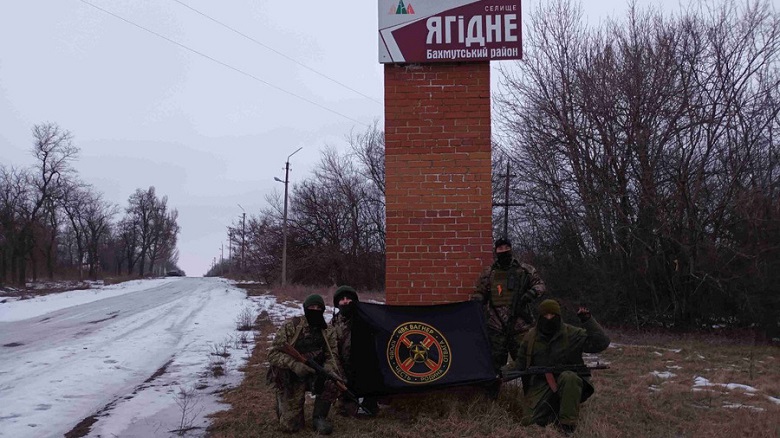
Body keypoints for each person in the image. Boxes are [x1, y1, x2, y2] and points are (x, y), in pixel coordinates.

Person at [516, 299, 610, 435]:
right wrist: (499, 374)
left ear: (559, 316)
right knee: (528, 421)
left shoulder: (571, 333)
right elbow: (519, 363)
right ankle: (555, 411)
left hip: (567, 383)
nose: (549, 318)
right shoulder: (530, 337)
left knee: (569, 377)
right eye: (545, 315)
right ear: (540, 317)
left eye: (552, 315)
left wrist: (587, 320)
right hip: (541, 384)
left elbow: (601, 342)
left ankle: (567, 425)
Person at [267, 294, 342, 435]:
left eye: (319, 308)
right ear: (305, 309)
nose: (315, 310)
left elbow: (332, 356)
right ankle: (283, 403)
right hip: (291, 376)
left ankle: (319, 417)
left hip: (314, 373)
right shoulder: (292, 326)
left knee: (332, 379)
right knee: (291, 427)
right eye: (312, 307)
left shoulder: (327, 330)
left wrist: (327, 370)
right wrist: (294, 365)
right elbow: (272, 354)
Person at [473, 238, 547, 375]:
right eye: (500, 248)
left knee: (526, 363)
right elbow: (479, 293)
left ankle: (530, 389)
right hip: (496, 326)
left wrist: (530, 294)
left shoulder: (524, 269)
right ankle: (496, 388)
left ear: (511, 249)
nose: (504, 251)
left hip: (520, 326)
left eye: (506, 248)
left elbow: (540, 285)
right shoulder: (489, 273)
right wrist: (476, 303)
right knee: (494, 366)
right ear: (496, 251)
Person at [330, 285, 379, 416]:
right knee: (346, 410)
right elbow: (332, 351)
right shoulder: (334, 323)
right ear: (337, 303)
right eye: (342, 299)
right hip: (344, 369)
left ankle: (369, 401)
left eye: (349, 298)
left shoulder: (365, 318)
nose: (345, 301)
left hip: (364, 368)